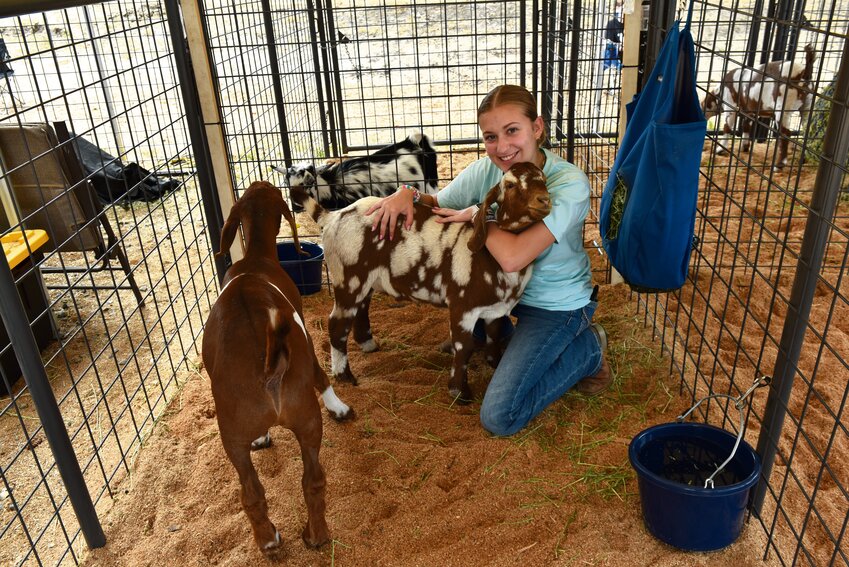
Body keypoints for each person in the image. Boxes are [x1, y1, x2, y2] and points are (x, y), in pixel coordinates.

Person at [366, 84, 611, 436]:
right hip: (499, 295)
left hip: (554, 305)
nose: (502, 147)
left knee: (499, 416)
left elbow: (513, 258)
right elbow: (439, 203)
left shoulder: (567, 183)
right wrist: (406, 194)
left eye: (513, 131)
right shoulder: (486, 171)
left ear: (537, 128)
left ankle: (589, 350)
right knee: (465, 300)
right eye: (491, 136)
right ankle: (496, 336)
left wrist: (478, 216)